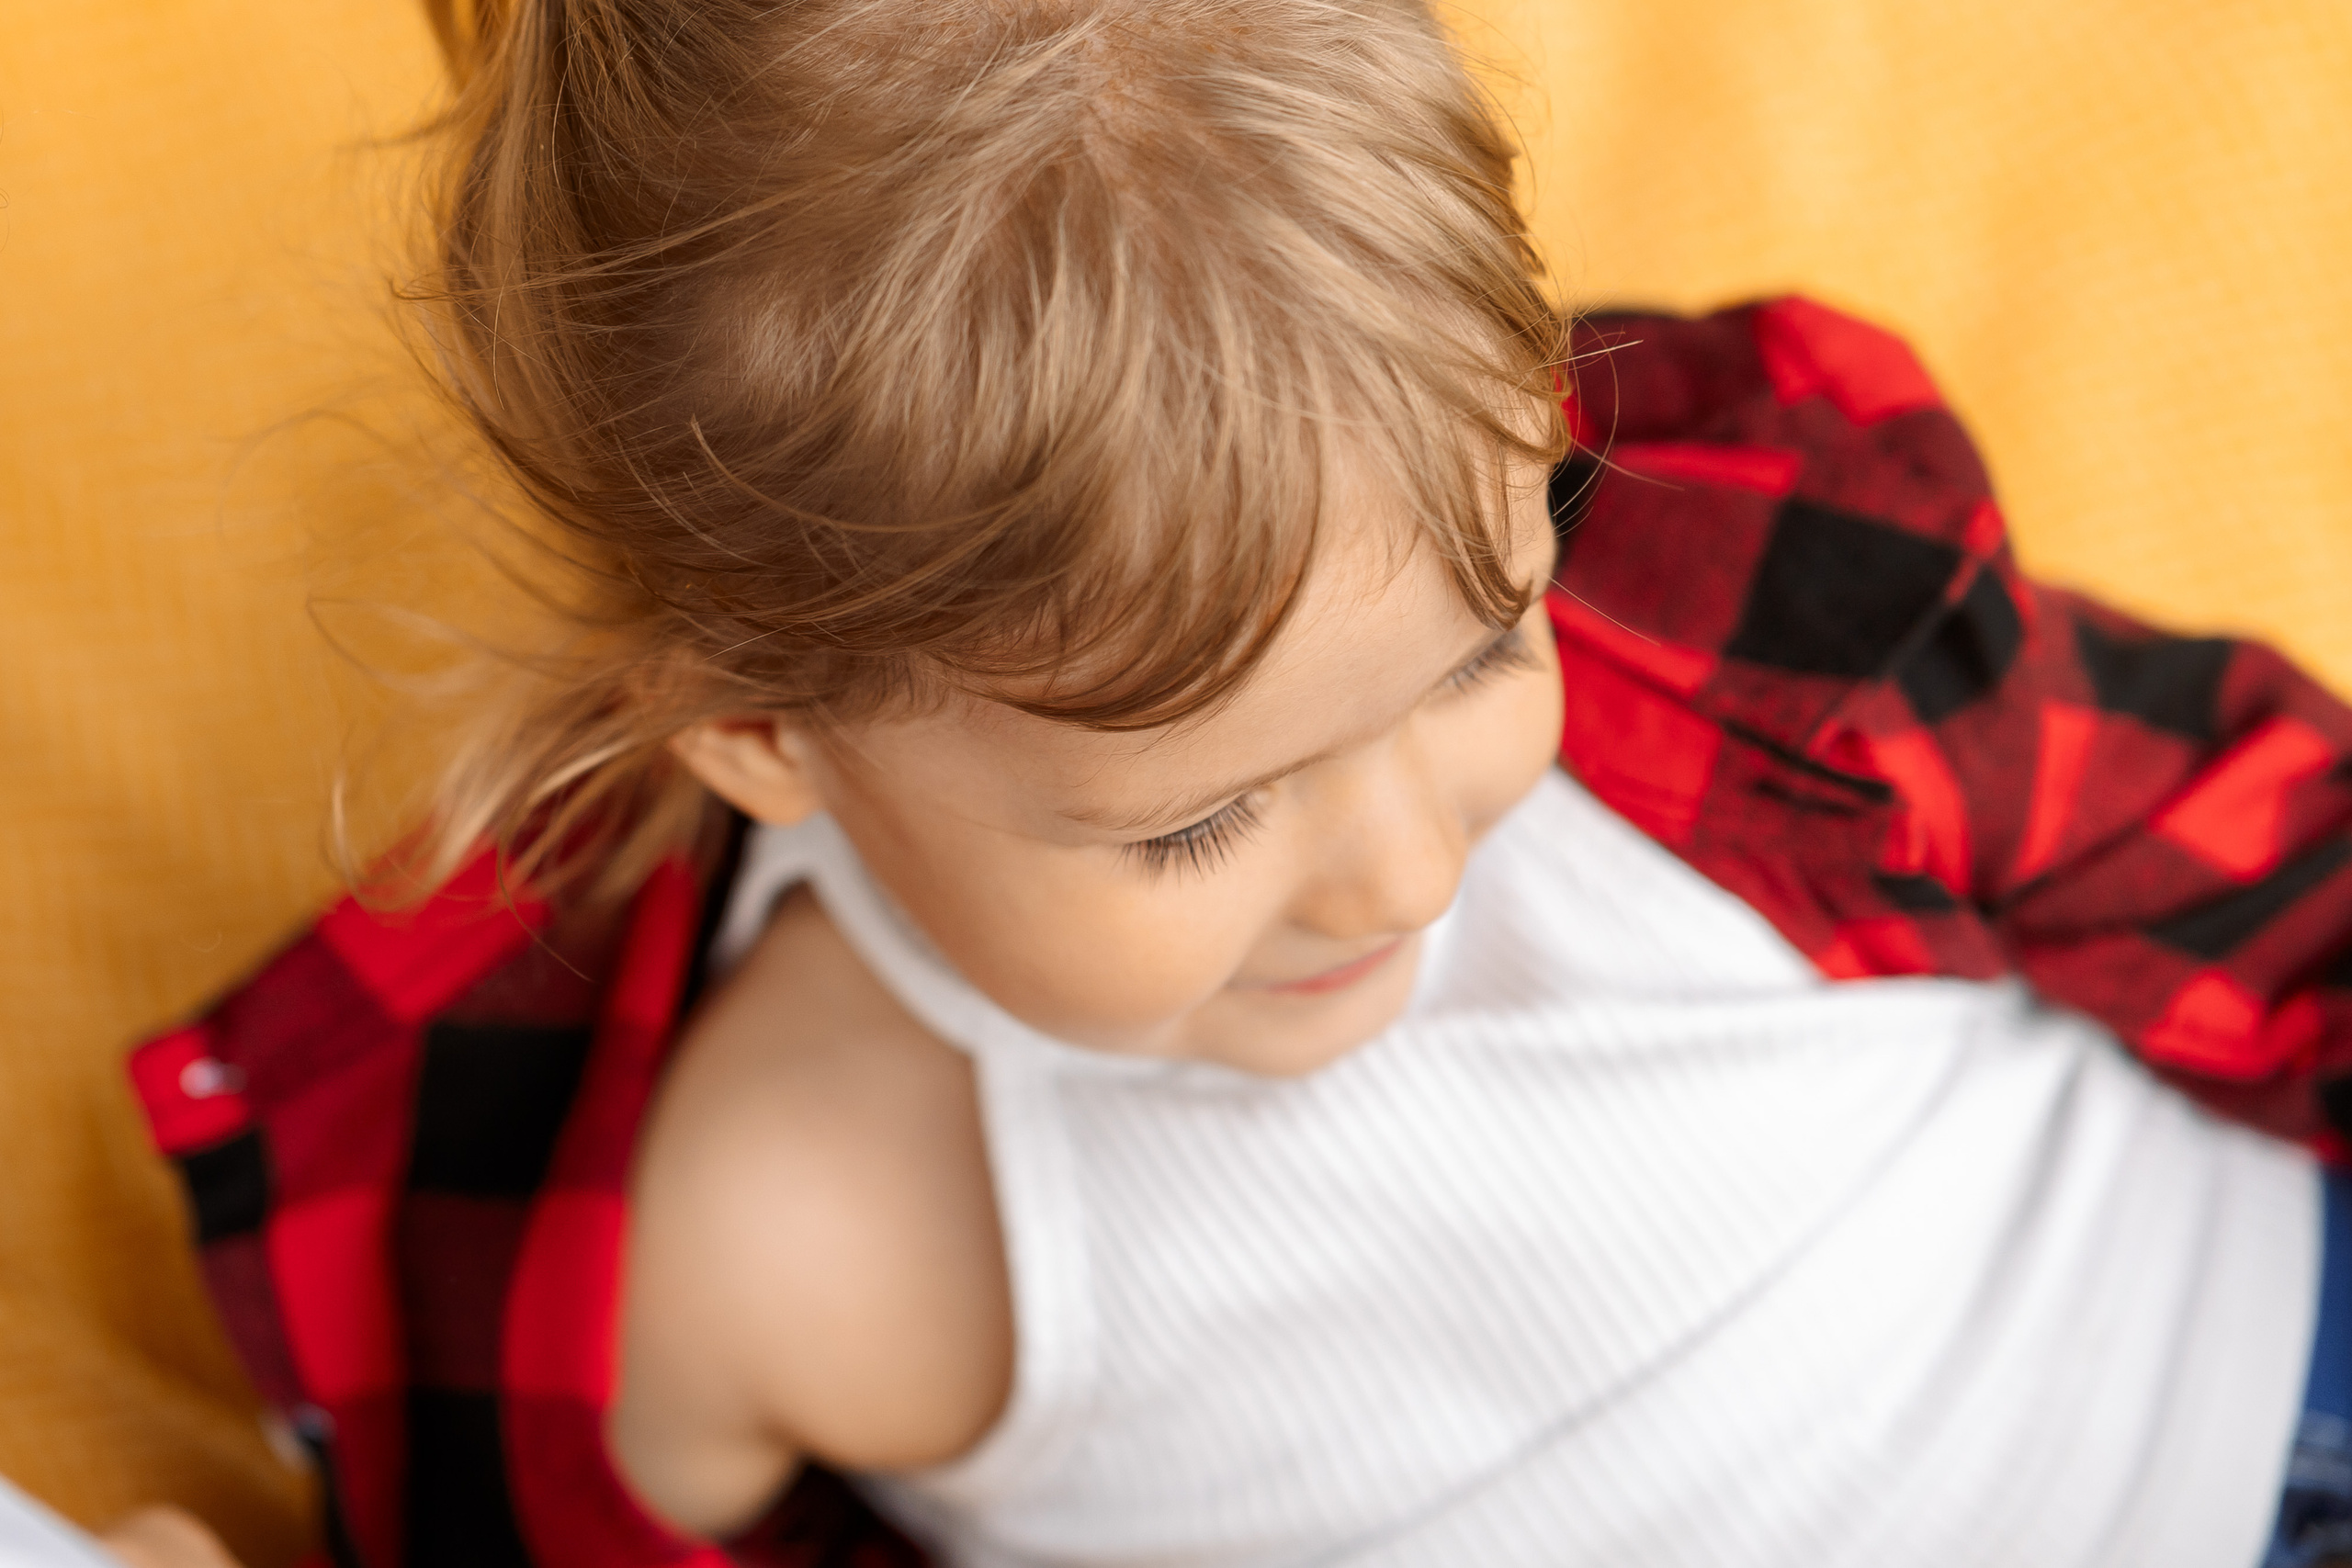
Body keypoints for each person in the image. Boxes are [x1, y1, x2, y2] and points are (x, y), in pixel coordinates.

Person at [109, 2, 2352, 1565]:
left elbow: (2260, 845)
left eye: (1489, 636)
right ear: (765, 727)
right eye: (1197, 817)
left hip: (2272, 1374)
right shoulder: (757, 1240)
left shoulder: (1712, 587)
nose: (1404, 856)